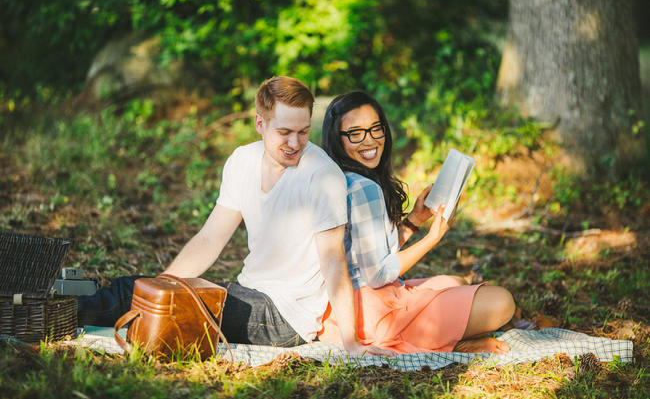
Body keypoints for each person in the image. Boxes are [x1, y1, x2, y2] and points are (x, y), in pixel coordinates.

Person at [78, 77, 391, 357]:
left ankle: (51, 317)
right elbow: (209, 239)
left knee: (126, 293)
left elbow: (333, 261)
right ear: (260, 123)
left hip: (282, 318)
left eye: (303, 132)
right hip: (247, 294)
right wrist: (164, 286)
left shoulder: (323, 176)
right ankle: (50, 311)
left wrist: (350, 343)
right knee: (135, 290)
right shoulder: (243, 161)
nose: (295, 143)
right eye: (284, 132)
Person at [318, 91, 515, 354]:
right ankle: (446, 344)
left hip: (344, 310)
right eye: (356, 133)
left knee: (455, 281)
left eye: (376, 129)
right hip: (373, 314)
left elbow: (368, 255)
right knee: (502, 302)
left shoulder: (341, 179)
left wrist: (413, 220)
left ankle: (439, 337)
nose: (370, 140)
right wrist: (432, 237)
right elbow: (377, 275)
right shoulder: (364, 188)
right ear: (337, 139)